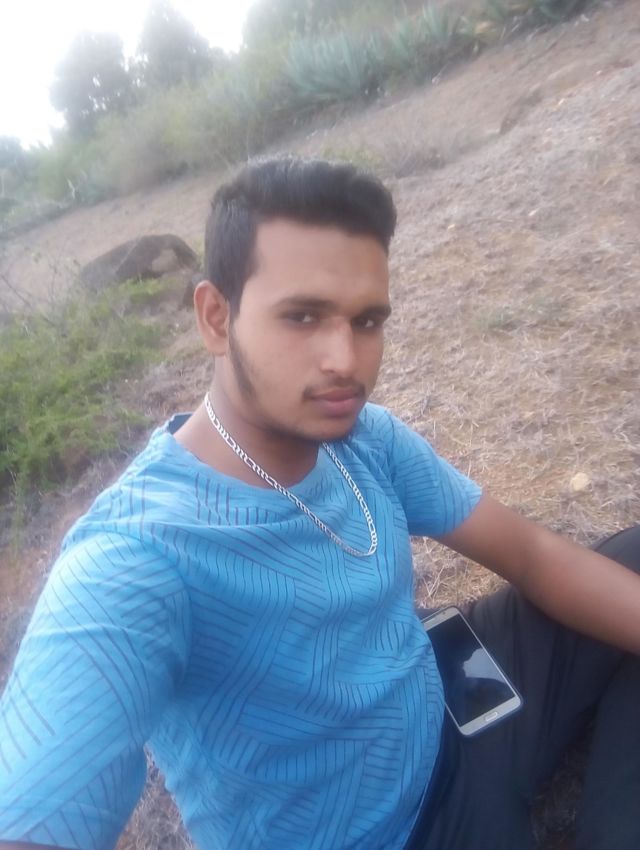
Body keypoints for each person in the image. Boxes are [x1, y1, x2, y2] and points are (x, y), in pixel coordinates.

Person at [0, 157, 638, 850]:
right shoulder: (138, 558)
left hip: (447, 703)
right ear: (215, 317)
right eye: (302, 316)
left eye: (367, 320)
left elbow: (530, 552)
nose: (345, 360)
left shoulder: (367, 440)